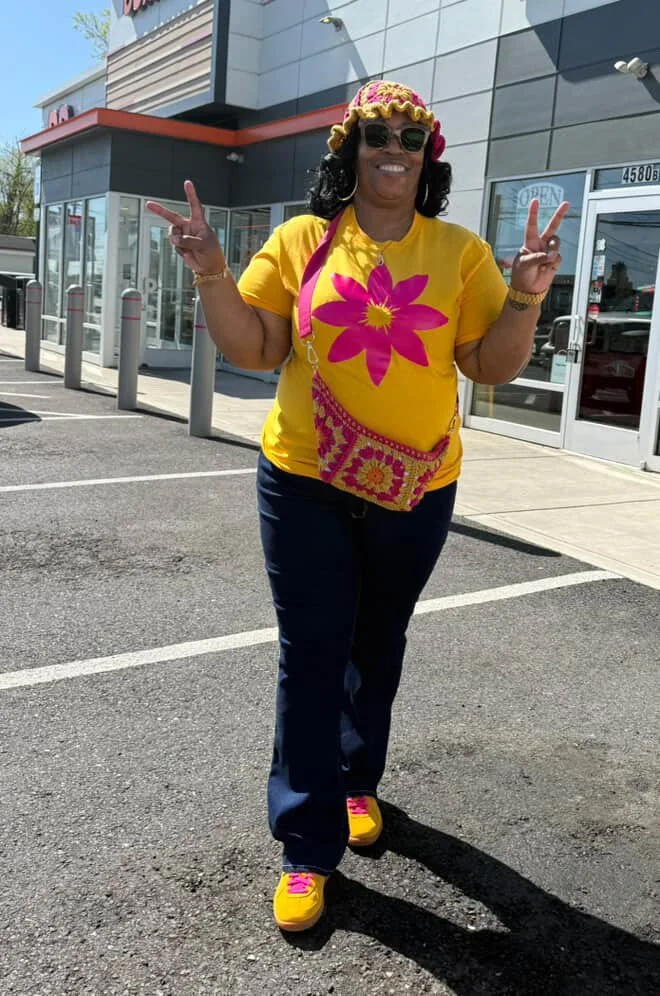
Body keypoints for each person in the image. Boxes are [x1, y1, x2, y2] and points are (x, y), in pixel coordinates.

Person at [147, 80, 568, 933]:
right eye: (377, 133)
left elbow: (488, 367)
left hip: (418, 486)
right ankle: (307, 846)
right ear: (350, 147)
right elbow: (257, 346)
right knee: (312, 652)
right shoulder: (303, 240)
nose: (393, 149)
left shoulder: (459, 252)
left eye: (411, 138)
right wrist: (212, 273)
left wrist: (526, 294)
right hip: (305, 478)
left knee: (377, 643)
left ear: (427, 158)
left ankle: (355, 782)